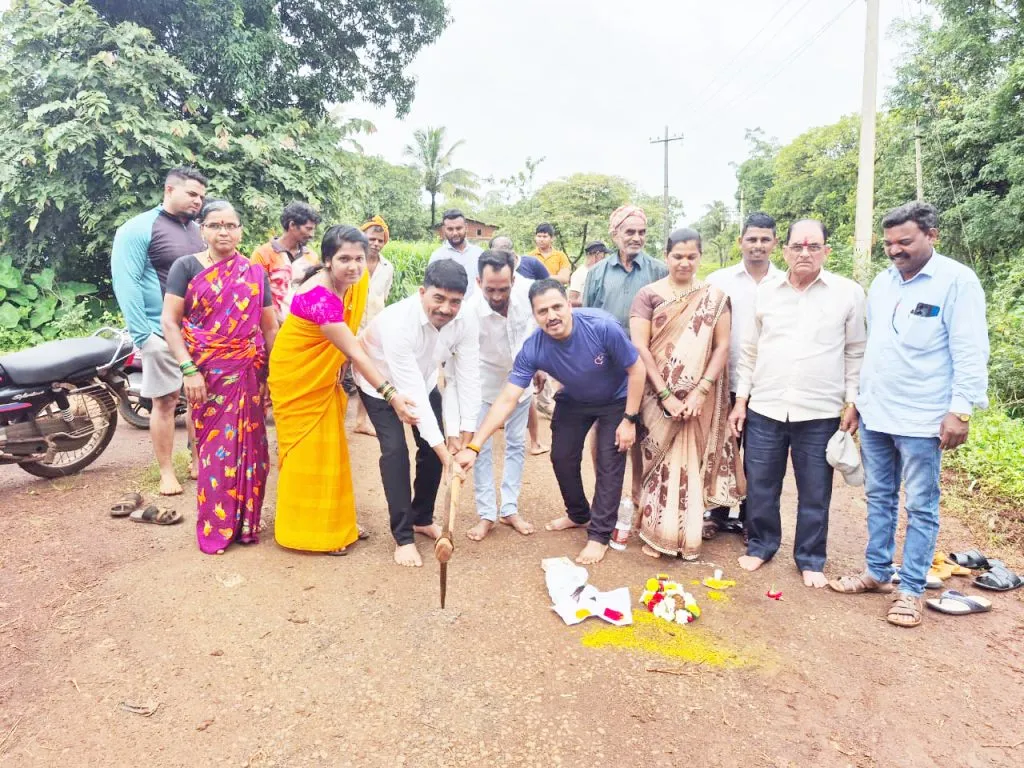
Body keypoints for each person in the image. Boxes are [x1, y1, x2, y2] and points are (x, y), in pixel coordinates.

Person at [829, 202, 989, 627]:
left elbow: (970, 350)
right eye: (888, 243)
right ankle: (877, 573)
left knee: (921, 505)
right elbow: (876, 348)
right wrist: (859, 402)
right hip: (879, 412)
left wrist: (961, 411)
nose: (895, 250)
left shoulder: (957, 281)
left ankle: (912, 589)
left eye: (905, 241)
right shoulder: (883, 283)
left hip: (923, 418)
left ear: (932, 236)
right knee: (879, 496)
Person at [455, 279, 646, 565]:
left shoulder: (602, 326)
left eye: (557, 306)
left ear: (569, 305)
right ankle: (579, 514)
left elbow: (636, 369)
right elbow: (508, 398)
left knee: (609, 461)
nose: (552, 315)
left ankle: (599, 536)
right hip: (575, 399)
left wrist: (629, 419)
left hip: (616, 401)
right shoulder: (533, 347)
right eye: (543, 311)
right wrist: (474, 445)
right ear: (534, 315)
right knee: (561, 457)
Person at [728, 219, 866, 588]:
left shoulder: (847, 293)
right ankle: (760, 546)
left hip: (820, 412)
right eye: (798, 246)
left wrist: (852, 401)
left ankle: (810, 558)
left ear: (826, 251)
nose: (805, 253)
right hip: (766, 406)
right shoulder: (767, 292)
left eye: (814, 246)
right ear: (785, 250)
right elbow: (749, 352)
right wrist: (741, 400)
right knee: (760, 484)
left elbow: (856, 351)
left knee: (815, 489)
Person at [268, 225, 416, 555]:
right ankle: (310, 532)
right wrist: (391, 394)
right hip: (297, 377)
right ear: (327, 260)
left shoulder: (352, 284)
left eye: (359, 259)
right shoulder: (321, 298)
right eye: (344, 258)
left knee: (331, 451)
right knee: (308, 453)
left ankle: (337, 521)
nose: (353, 266)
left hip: (322, 377)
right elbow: (355, 350)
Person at [161, 200, 278, 554]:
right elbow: (170, 321)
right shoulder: (186, 267)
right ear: (202, 230)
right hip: (206, 376)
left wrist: (272, 375)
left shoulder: (255, 272)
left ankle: (245, 525)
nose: (223, 231)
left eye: (230, 225)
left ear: (241, 230)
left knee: (252, 453)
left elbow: (269, 326)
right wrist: (188, 369)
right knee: (216, 453)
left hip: (248, 373)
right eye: (215, 225)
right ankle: (216, 526)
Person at [357, 260, 482, 567]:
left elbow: (466, 376)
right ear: (422, 292)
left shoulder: (465, 319)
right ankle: (403, 537)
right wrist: (448, 457)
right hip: (380, 383)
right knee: (396, 452)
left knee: (429, 446)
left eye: (454, 301)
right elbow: (410, 394)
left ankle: (421, 518)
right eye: (438, 298)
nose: (446, 308)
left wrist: (465, 437)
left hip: (422, 381)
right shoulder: (399, 322)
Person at [629, 229, 745, 560]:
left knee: (689, 461)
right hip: (655, 395)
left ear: (700, 257)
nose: (684, 262)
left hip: (699, 398)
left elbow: (722, 346)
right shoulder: (647, 294)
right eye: (677, 255)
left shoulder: (714, 296)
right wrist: (666, 394)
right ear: (666, 256)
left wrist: (699, 392)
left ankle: (687, 533)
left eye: (691, 256)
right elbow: (640, 346)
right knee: (657, 459)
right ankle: (655, 532)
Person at [111, 166, 206, 499]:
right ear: (169, 190)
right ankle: (167, 471)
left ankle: (197, 461)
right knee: (165, 402)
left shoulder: (198, 230)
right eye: (192, 194)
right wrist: (143, 336)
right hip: (158, 330)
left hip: (198, 332)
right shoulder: (138, 228)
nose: (198, 201)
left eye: (202, 196)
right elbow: (127, 282)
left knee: (199, 400)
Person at [583, 205, 668, 507]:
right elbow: (587, 319)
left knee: (639, 427)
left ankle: (637, 492)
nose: (636, 238)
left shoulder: (658, 270)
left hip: (647, 362)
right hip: (606, 365)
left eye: (642, 232)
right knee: (602, 428)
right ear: (615, 233)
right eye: (629, 232)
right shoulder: (596, 273)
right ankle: (607, 493)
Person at [703, 213, 782, 539]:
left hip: (767, 385)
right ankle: (716, 514)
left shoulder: (786, 282)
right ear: (741, 242)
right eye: (752, 239)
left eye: (765, 239)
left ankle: (752, 520)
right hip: (724, 381)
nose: (758, 246)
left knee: (761, 459)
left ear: (775, 243)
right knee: (721, 449)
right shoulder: (719, 281)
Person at [463, 251, 538, 541]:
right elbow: (464, 360)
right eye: (490, 289)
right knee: (478, 450)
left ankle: (509, 508)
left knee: (516, 444)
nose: (496, 295)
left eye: (503, 289)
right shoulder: (469, 311)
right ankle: (486, 514)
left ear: (514, 280)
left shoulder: (529, 295)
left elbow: (540, 329)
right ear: (479, 281)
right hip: (485, 387)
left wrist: (539, 366)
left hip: (521, 384)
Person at [490, 234, 550, 455]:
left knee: (524, 395)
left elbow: (538, 317)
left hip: (523, 350)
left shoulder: (528, 284)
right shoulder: (487, 282)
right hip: (497, 352)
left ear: (514, 257)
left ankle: (534, 441)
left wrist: (538, 359)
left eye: (506, 255)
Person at [352, 215, 396, 437]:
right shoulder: (352, 263)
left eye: (380, 240)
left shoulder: (388, 267)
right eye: (372, 238)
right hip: (349, 325)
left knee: (369, 372)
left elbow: (383, 298)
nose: (376, 243)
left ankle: (361, 420)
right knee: (337, 371)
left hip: (373, 327)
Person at [250, 201, 321, 321]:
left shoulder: (311, 257)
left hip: (300, 327)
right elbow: (255, 296)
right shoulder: (262, 254)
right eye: (308, 229)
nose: (312, 234)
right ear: (292, 225)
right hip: (269, 328)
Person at [428, 209, 484, 297]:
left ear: (466, 227)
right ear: (443, 230)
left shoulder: (479, 253)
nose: (455, 233)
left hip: (477, 309)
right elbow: (431, 288)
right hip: (449, 309)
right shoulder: (438, 256)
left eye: (459, 228)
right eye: (450, 229)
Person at [568, 241, 609, 307]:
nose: (604, 258)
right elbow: (571, 300)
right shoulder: (579, 274)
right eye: (603, 255)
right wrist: (589, 301)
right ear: (597, 254)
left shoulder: (600, 272)